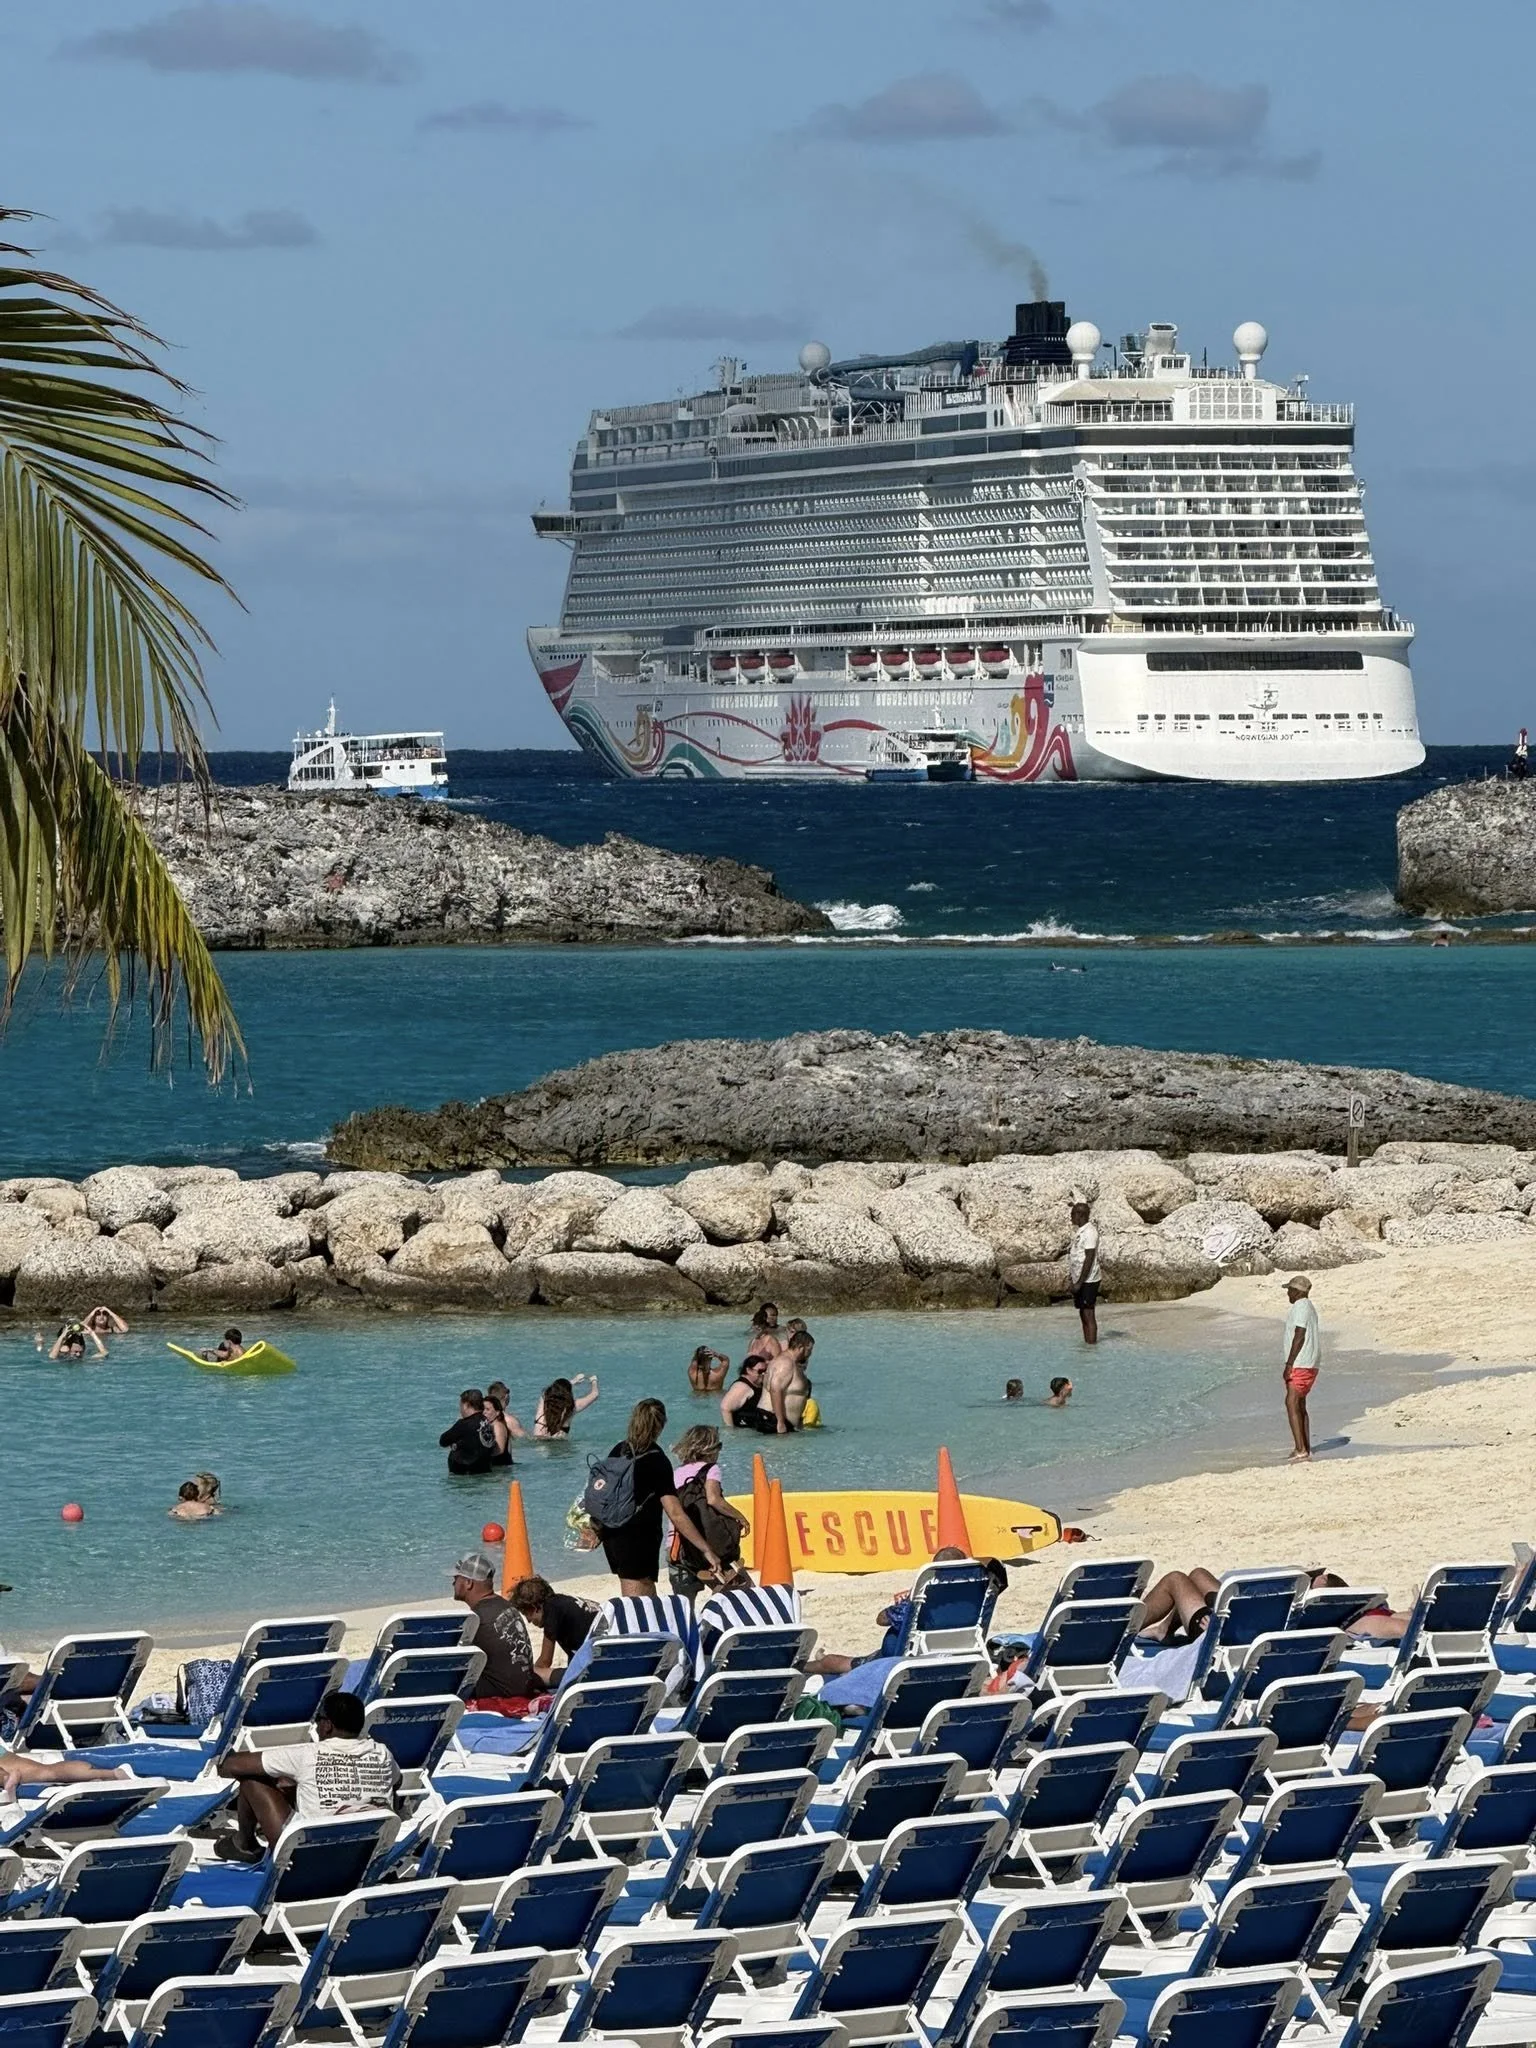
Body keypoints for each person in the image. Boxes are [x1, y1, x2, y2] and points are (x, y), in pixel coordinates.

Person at [214, 1688, 398, 1861]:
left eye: (318, 1719)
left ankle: (245, 1844)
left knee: (253, 1779)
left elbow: (231, 1766)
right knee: (299, 1784)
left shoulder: (307, 1754)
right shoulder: (382, 1753)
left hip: (311, 1854)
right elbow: (396, 1782)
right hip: (364, 1852)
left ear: (327, 1726)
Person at [596, 1398, 725, 1597]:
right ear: (661, 1425)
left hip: (612, 1534)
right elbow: (675, 1512)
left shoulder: (619, 1449)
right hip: (637, 1538)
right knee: (639, 1601)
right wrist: (706, 1549)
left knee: (644, 1592)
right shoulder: (657, 1460)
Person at [450, 1550, 541, 1708]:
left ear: (468, 1583)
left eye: (456, 1578)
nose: (452, 1583)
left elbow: (455, 1663)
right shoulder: (505, 1606)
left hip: (501, 1692)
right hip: (523, 1686)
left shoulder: (478, 1619)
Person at [669, 1424, 750, 1599]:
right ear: (709, 1449)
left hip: (678, 1546)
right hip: (709, 1545)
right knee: (738, 1593)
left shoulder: (675, 1474)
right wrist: (741, 1517)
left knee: (684, 1603)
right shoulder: (710, 1469)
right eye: (718, 1446)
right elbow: (714, 1500)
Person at [510, 1576, 598, 1685]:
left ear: (534, 1607)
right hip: (603, 1660)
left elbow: (545, 1662)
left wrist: (532, 1677)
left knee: (532, 1674)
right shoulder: (562, 1603)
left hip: (593, 1672)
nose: (528, 1620)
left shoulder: (551, 1611)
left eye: (527, 1614)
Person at [1281, 1275, 1321, 1462]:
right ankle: (1304, 1446)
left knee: (1291, 1402)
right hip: (1310, 1363)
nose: (1288, 1293)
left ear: (1297, 1291)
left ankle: (1300, 1449)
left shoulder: (1300, 1307)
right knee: (1300, 1405)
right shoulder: (1309, 1307)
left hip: (1301, 1363)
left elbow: (1300, 1334)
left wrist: (1289, 1363)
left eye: (1289, 1290)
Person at [1137, 1566, 1220, 1644]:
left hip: (1217, 1632)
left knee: (1174, 1579)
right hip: (1229, 1619)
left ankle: (1127, 1628)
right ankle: (1164, 1630)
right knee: (1198, 1574)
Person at [764, 1329, 814, 1433]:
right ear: (800, 1348)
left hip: (784, 1423)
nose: (810, 1354)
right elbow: (775, 1389)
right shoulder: (785, 1363)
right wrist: (780, 1422)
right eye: (809, 1350)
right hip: (774, 1422)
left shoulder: (791, 1362)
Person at [439, 1389, 497, 1475]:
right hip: (484, 1469)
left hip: (465, 1474)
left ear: (466, 1405)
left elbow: (443, 1441)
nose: (460, 1410)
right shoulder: (486, 1421)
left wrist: (454, 1445)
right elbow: (473, 1440)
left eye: (460, 1406)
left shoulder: (464, 1424)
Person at [1068, 1203, 1100, 1346]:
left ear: (1080, 1215)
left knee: (1088, 1313)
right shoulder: (1079, 1231)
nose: (1071, 1216)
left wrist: (1080, 1282)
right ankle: (1087, 1344)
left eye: (1073, 1213)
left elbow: (1089, 1257)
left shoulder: (1090, 1232)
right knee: (1082, 1312)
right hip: (1079, 1278)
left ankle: (1092, 1345)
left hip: (1089, 1279)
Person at [720, 1353, 774, 1433]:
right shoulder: (742, 1386)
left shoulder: (757, 1384)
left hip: (754, 1428)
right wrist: (731, 1432)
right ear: (748, 1370)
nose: (763, 1374)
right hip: (743, 1430)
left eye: (765, 1371)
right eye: (760, 1371)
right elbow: (725, 1408)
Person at [535, 1373, 599, 1439]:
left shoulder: (544, 1402)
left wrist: (573, 1381)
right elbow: (595, 1394)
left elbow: (550, 1391)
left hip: (538, 1442)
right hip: (560, 1446)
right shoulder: (572, 1407)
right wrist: (594, 1380)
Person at [482, 1393, 516, 1467]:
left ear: (497, 1412)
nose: (484, 1412)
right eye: (483, 1409)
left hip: (501, 1469)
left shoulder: (498, 1426)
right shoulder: (490, 1425)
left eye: (487, 1409)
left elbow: (499, 1451)